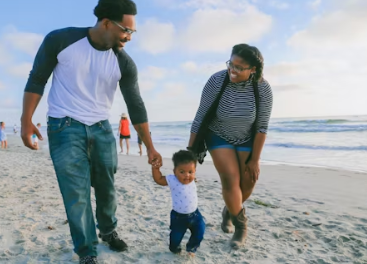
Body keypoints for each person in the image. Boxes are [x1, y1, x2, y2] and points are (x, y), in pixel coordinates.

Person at [20, 0, 162, 263]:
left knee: (107, 188)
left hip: (101, 129)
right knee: (76, 193)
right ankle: (87, 251)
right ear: (106, 23)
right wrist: (26, 119)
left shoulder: (124, 63)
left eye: (133, 32)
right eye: (126, 30)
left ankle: (107, 230)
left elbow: (136, 105)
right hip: (63, 126)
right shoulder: (61, 40)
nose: (129, 37)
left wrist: (150, 146)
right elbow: (37, 78)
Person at [188, 44, 273, 249]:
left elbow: (262, 127)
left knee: (248, 182)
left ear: (253, 69)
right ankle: (241, 226)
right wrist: (190, 152)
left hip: (246, 138)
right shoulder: (217, 80)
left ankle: (230, 210)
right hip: (218, 135)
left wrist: (255, 160)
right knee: (230, 179)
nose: (232, 70)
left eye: (239, 67)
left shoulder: (262, 88)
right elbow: (200, 115)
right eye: (230, 64)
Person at [152, 150, 205, 256]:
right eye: (182, 172)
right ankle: (175, 249)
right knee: (176, 238)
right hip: (179, 217)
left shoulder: (192, 179)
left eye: (190, 172)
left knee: (200, 232)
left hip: (195, 214)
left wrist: (193, 177)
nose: (186, 175)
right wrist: (155, 169)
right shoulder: (172, 180)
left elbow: (191, 178)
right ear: (175, 171)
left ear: (195, 171)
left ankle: (191, 248)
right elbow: (158, 179)